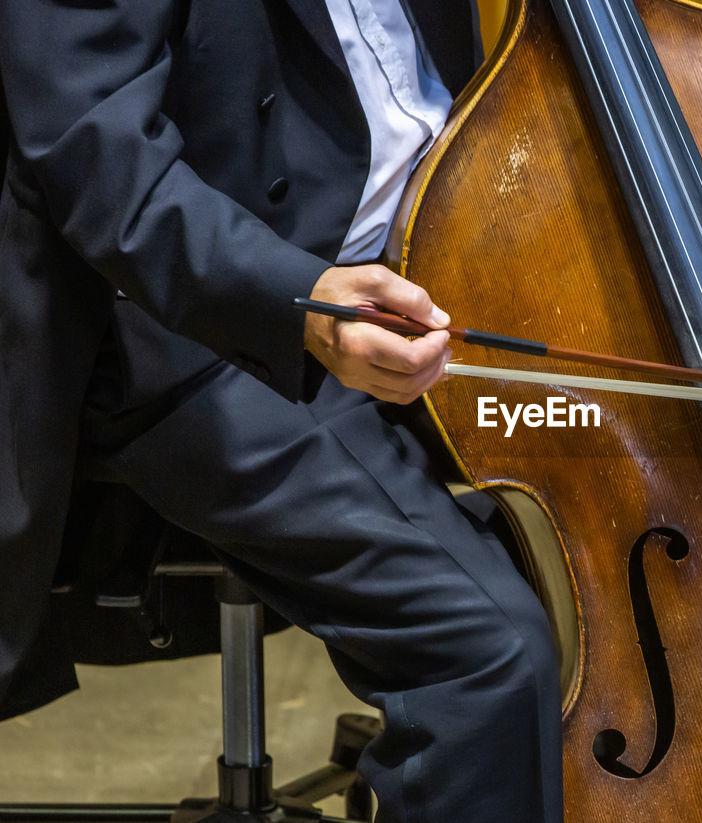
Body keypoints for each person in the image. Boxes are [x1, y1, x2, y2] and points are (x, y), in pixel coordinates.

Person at [0, 1, 564, 821]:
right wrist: (296, 303)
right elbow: (94, 152)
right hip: (213, 316)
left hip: (449, 255)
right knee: (489, 657)